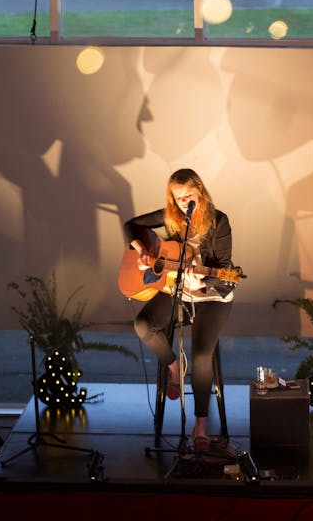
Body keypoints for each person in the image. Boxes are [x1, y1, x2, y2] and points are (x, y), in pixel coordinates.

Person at [123, 168, 237, 452]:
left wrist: (202, 278)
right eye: (178, 197)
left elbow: (224, 268)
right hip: (180, 291)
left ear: (200, 191)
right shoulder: (172, 217)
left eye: (188, 195)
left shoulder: (219, 221)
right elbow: (131, 225)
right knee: (144, 324)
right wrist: (143, 252)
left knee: (201, 356)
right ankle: (174, 365)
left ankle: (200, 423)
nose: (184, 201)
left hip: (211, 294)